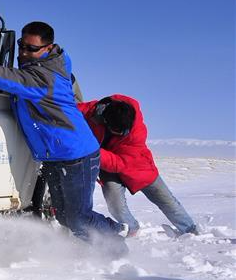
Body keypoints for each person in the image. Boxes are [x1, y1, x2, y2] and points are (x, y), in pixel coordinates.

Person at [0, 21, 127, 255]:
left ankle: (115, 241)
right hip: (57, 156)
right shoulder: (48, 66)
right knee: (66, 217)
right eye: (21, 46)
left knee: (78, 219)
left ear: (48, 48)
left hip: (77, 155)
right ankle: (107, 238)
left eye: (31, 49)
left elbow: (2, 77)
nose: (24, 53)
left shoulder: (42, 78)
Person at [78, 95, 199, 237]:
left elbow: (119, 164)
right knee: (115, 205)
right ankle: (132, 228)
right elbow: (66, 112)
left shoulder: (135, 131)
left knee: (166, 200)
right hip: (107, 168)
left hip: (138, 168)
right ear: (105, 120)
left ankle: (190, 231)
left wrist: (91, 149)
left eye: (125, 131)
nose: (124, 134)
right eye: (119, 132)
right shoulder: (90, 113)